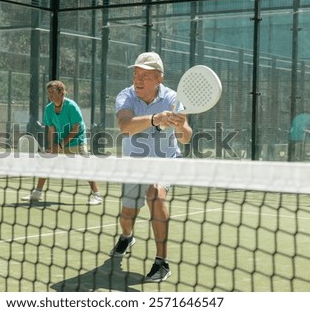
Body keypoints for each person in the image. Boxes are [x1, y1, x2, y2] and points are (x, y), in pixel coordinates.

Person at [111, 52, 192, 282]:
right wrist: (155, 118)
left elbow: (185, 137)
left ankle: (161, 262)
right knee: (127, 216)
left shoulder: (174, 98)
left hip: (164, 161)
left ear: (159, 78)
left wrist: (179, 126)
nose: (138, 79)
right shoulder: (125, 96)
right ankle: (127, 237)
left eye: (145, 75)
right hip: (134, 164)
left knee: (155, 194)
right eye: (136, 73)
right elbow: (125, 126)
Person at [21, 80, 102, 205]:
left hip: (77, 140)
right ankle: (37, 193)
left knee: (85, 167)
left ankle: (96, 195)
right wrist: (51, 146)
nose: (50, 94)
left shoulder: (71, 106)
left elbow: (76, 129)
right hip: (60, 141)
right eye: (48, 92)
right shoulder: (49, 109)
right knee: (45, 164)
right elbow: (51, 130)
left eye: (52, 91)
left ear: (61, 92)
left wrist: (60, 145)